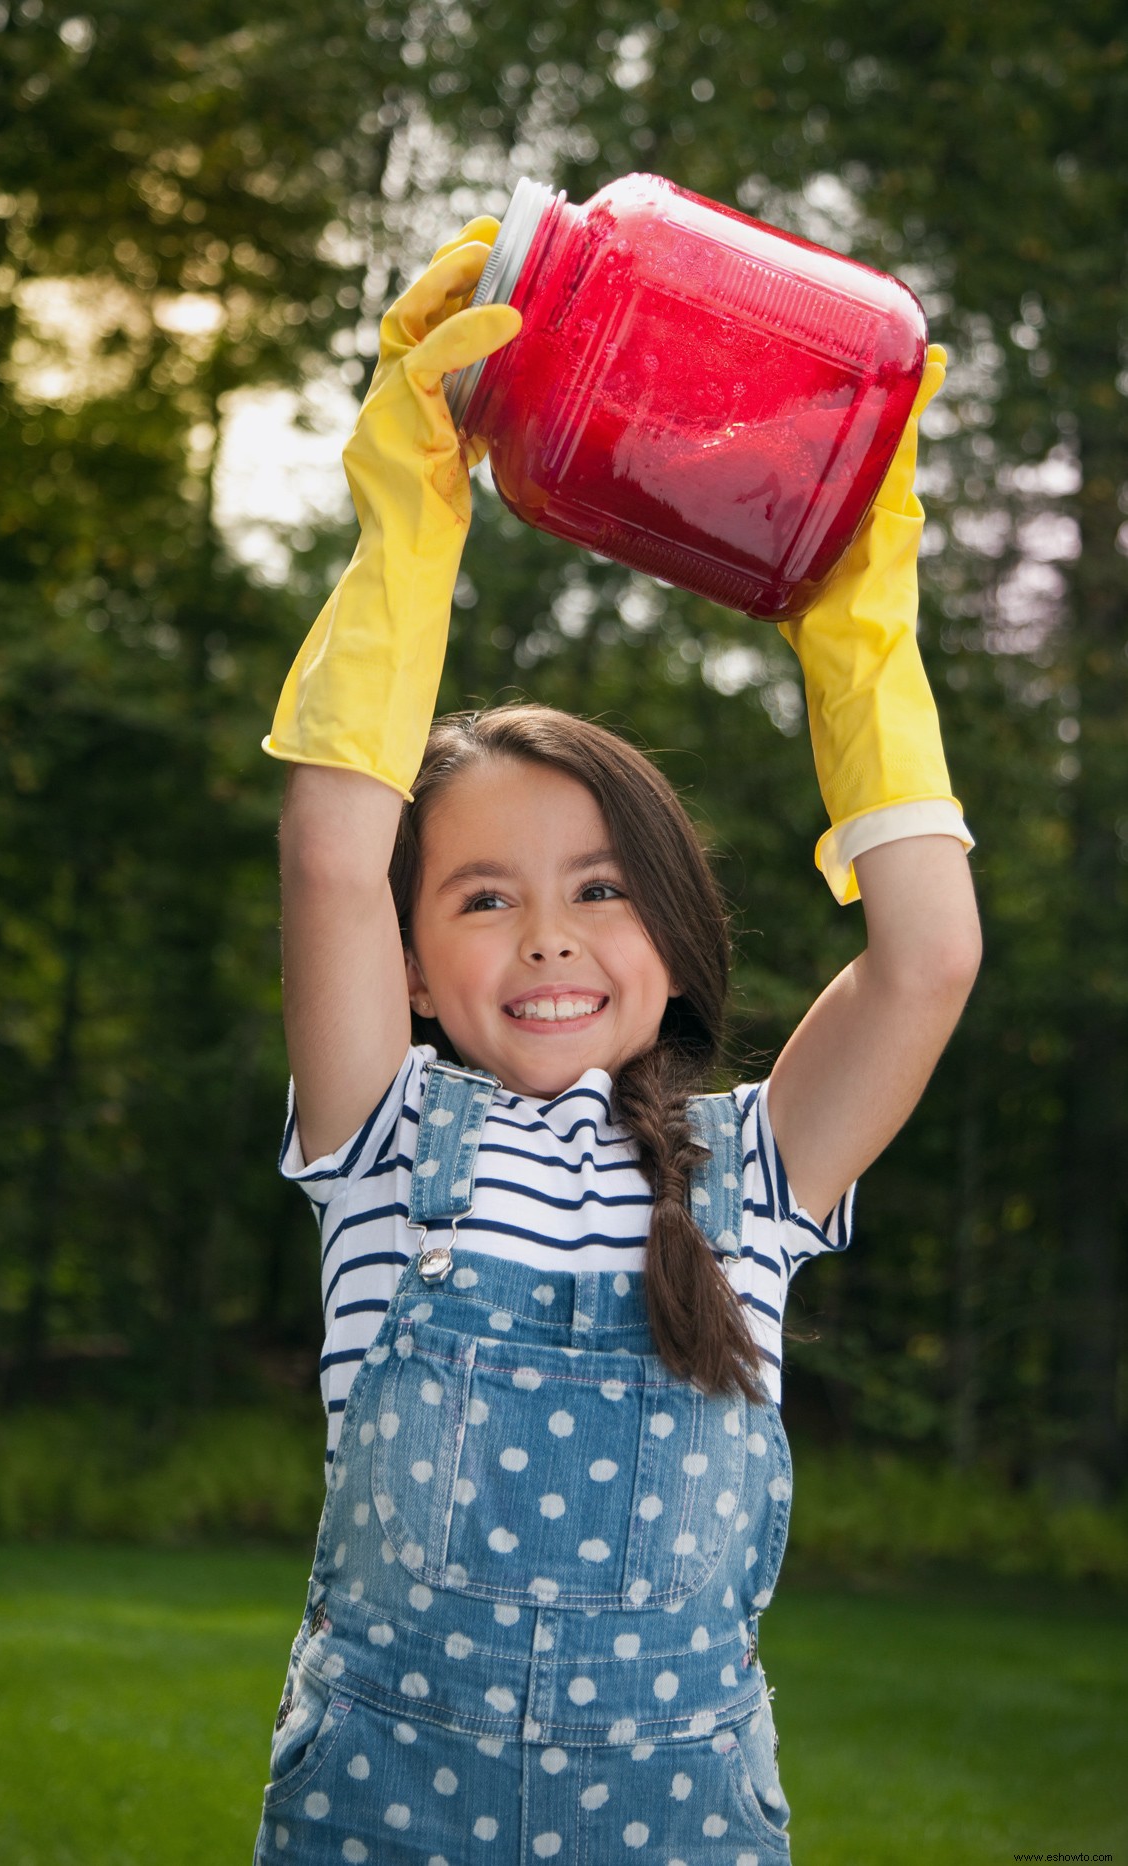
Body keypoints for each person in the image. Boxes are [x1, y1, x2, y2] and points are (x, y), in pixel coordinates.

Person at [250, 219, 981, 1864]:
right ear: (414, 962)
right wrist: (413, 521)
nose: (552, 936)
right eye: (483, 899)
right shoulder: (381, 1139)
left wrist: (857, 635)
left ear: (668, 923)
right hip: (385, 1821)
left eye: (596, 888)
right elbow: (323, 850)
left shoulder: (760, 1169)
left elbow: (929, 956)